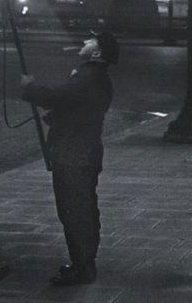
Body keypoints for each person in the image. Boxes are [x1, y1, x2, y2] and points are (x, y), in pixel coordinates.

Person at [20, 29, 119, 286]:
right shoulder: (97, 78)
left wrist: (30, 87)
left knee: (74, 212)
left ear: (96, 53)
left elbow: (56, 98)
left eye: (91, 40)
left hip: (74, 154)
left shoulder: (88, 78)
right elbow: (77, 108)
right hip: (83, 152)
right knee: (82, 209)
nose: (84, 41)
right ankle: (83, 263)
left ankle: (82, 268)